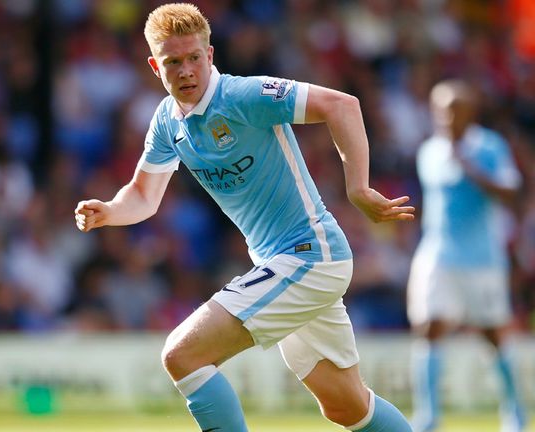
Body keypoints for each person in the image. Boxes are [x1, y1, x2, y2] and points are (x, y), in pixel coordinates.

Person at [75, 3, 415, 431]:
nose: (186, 71)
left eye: (194, 58)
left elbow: (341, 104)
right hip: (289, 264)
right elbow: (144, 194)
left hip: (309, 256)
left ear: (210, 55)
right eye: (173, 62)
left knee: (182, 355)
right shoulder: (167, 122)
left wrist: (358, 188)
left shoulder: (241, 97)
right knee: (346, 407)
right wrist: (109, 211)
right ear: (153, 66)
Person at [407, 79, 528, 432]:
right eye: (441, 110)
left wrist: (472, 168)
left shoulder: (489, 147)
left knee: (492, 334)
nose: (447, 117)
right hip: (438, 253)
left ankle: (514, 411)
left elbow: (511, 193)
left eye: (454, 110)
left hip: (482, 259)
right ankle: (428, 417)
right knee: (428, 327)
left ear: (470, 112)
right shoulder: (429, 150)